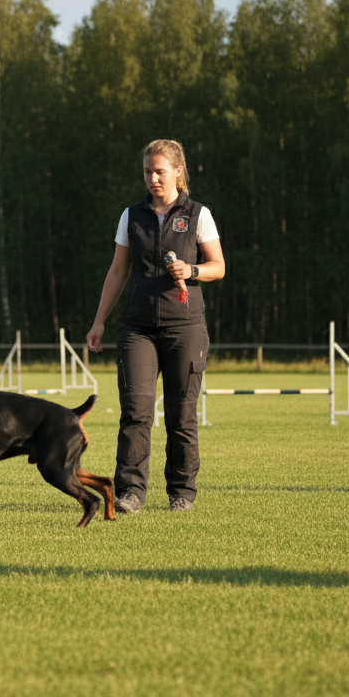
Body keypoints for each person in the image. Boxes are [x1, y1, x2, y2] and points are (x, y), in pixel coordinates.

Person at [85, 139, 225, 512]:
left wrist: (191, 270)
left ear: (178, 171)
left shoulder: (198, 214)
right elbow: (118, 271)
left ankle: (182, 493)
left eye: (159, 171)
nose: (152, 178)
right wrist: (99, 321)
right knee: (136, 411)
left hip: (186, 328)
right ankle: (130, 492)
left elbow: (218, 266)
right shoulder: (131, 215)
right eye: (147, 171)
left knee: (181, 415)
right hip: (137, 328)